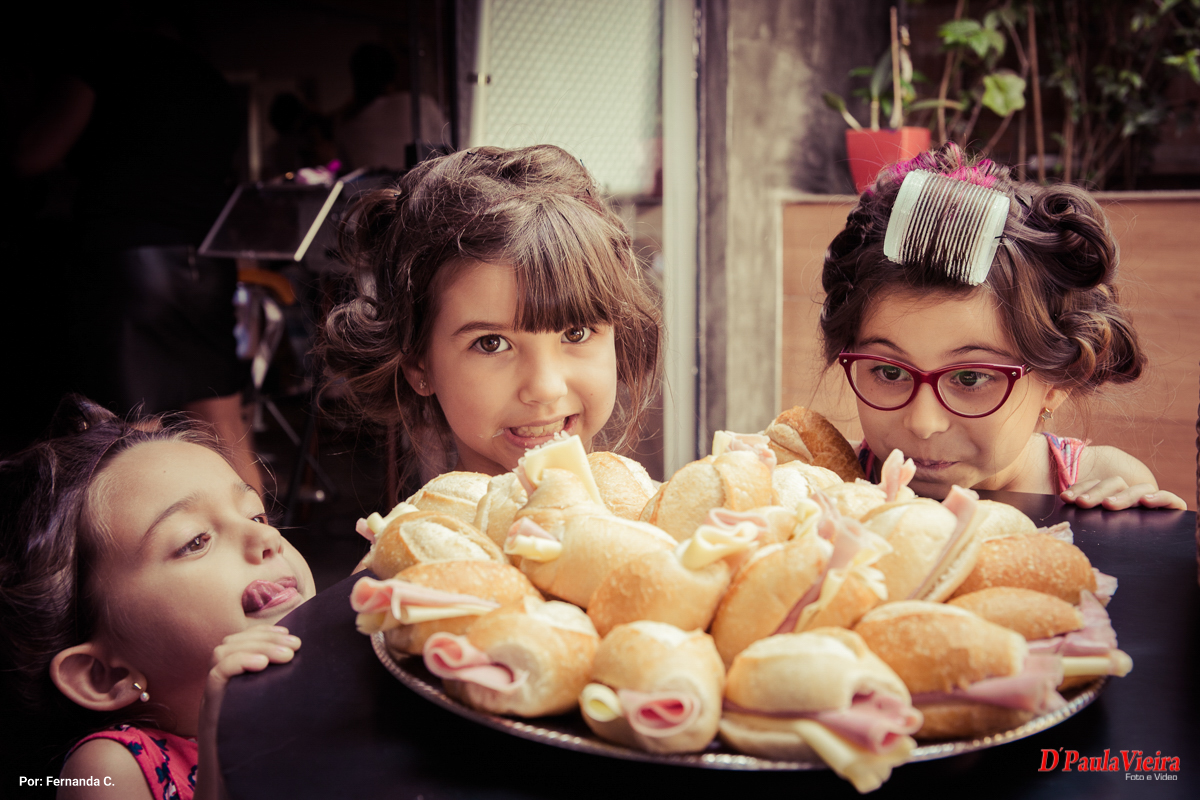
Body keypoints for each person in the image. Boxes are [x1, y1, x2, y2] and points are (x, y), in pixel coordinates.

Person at [820, 142, 1186, 511]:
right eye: (889, 372)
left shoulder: (1104, 482)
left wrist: (1137, 536)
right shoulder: (830, 481)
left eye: (970, 378)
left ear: (1056, 382)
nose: (924, 424)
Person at [0, 395, 315, 799]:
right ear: (104, 675)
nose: (266, 536)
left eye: (256, 515)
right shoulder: (109, 770)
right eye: (195, 541)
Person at [319, 144, 663, 484]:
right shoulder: (421, 524)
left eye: (576, 333)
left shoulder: (659, 516)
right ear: (419, 365)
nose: (545, 388)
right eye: (492, 343)